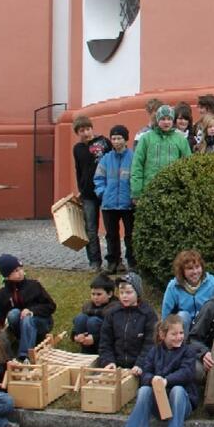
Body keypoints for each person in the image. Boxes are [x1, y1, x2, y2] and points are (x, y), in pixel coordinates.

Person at [123, 315, 200, 427]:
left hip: (181, 404)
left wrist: (166, 380)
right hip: (160, 403)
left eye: (181, 333)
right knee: (144, 390)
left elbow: (187, 373)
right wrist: (152, 379)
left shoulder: (188, 351)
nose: (179, 337)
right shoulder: (154, 351)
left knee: (177, 389)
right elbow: (145, 372)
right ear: (162, 335)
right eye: (174, 334)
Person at [0, 254, 56, 361]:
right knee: (13, 314)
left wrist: (32, 311)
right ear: (7, 275)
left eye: (20, 268)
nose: (20, 272)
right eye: (15, 271)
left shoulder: (34, 285)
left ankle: (24, 356)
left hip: (41, 322)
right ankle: (23, 341)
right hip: (20, 328)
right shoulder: (2, 295)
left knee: (27, 318)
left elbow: (51, 306)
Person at [72, 115, 111, 270]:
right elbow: (78, 170)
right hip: (88, 193)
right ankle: (94, 261)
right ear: (77, 132)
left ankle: (114, 259)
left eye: (88, 129)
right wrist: (80, 189)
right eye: (82, 130)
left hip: (106, 190)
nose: (86, 133)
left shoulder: (104, 142)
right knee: (91, 228)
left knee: (110, 227)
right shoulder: (77, 149)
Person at [94, 123, 135, 272]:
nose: (116, 141)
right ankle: (114, 261)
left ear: (125, 139)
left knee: (131, 235)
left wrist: (133, 195)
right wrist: (102, 193)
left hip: (128, 203)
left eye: (119, 138)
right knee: (111, 235)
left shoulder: (133, 158)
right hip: (109, 204)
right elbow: (98, 178)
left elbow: (136, 178)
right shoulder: (105, 159)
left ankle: (132, 261)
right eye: (113, 138)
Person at [96, 273, 158, 370]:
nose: (124, 296)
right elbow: (105, 341)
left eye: (129, 292)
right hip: (116, 365)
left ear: (137, 293)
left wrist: (139, 365)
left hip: (141, 367)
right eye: (121, 292)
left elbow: (150, 344)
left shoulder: (148, 314)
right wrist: (108, 361)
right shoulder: (112, 313)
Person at [130, 105, 191, 199]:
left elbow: (188, 165)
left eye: (169, 119)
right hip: (150, 190)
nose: (166, 122)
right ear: (157, 120)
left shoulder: (181, 140)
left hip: (174, 191)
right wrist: (136, 191)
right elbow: (137, 165)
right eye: (163, 119)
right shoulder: (146, 138)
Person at [161, 249, 214, 333]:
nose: (195, 272)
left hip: (207, 326)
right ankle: (182, 345)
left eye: (197, 267)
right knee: (183, 315)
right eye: (190, 268)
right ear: (182, 271)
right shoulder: (173, 286)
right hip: (183, 329)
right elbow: (166, 316)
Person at [71, 273, 120, 354]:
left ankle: (98, 352)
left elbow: (115, 331)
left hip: (105, 342)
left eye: (99, 294)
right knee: (80, 318)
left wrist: (95, 338)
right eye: (93, 294)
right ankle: (85, 350)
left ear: (110, 294)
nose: (95, 297)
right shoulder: (88, 306)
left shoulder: (115, 308)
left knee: (93, 321)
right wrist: (75, 335)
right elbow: (78, 324)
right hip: (87, 339)